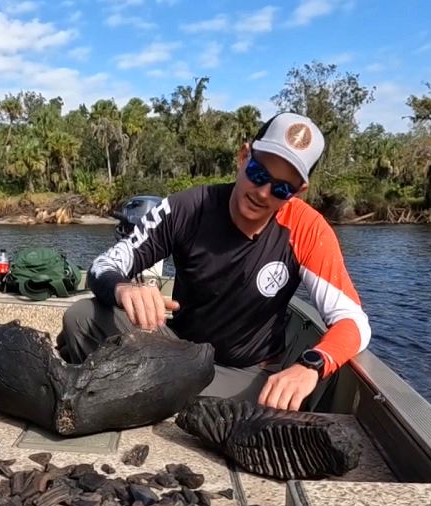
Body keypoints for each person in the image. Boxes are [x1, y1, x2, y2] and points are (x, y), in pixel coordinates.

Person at [56, 112, 371, 411]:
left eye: (280, 188)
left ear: (298, 191)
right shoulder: (188, 207)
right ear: (243, 156)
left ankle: (135, 391)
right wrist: (123, 288)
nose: (262, 192)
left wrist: (310, 365)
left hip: (243, 371)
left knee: (225, 404)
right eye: (258, 173)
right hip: (176, 349)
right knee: (81, 317)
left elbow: (353, 322)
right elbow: (102, 266)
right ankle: (147, 392)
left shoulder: (306, 229)